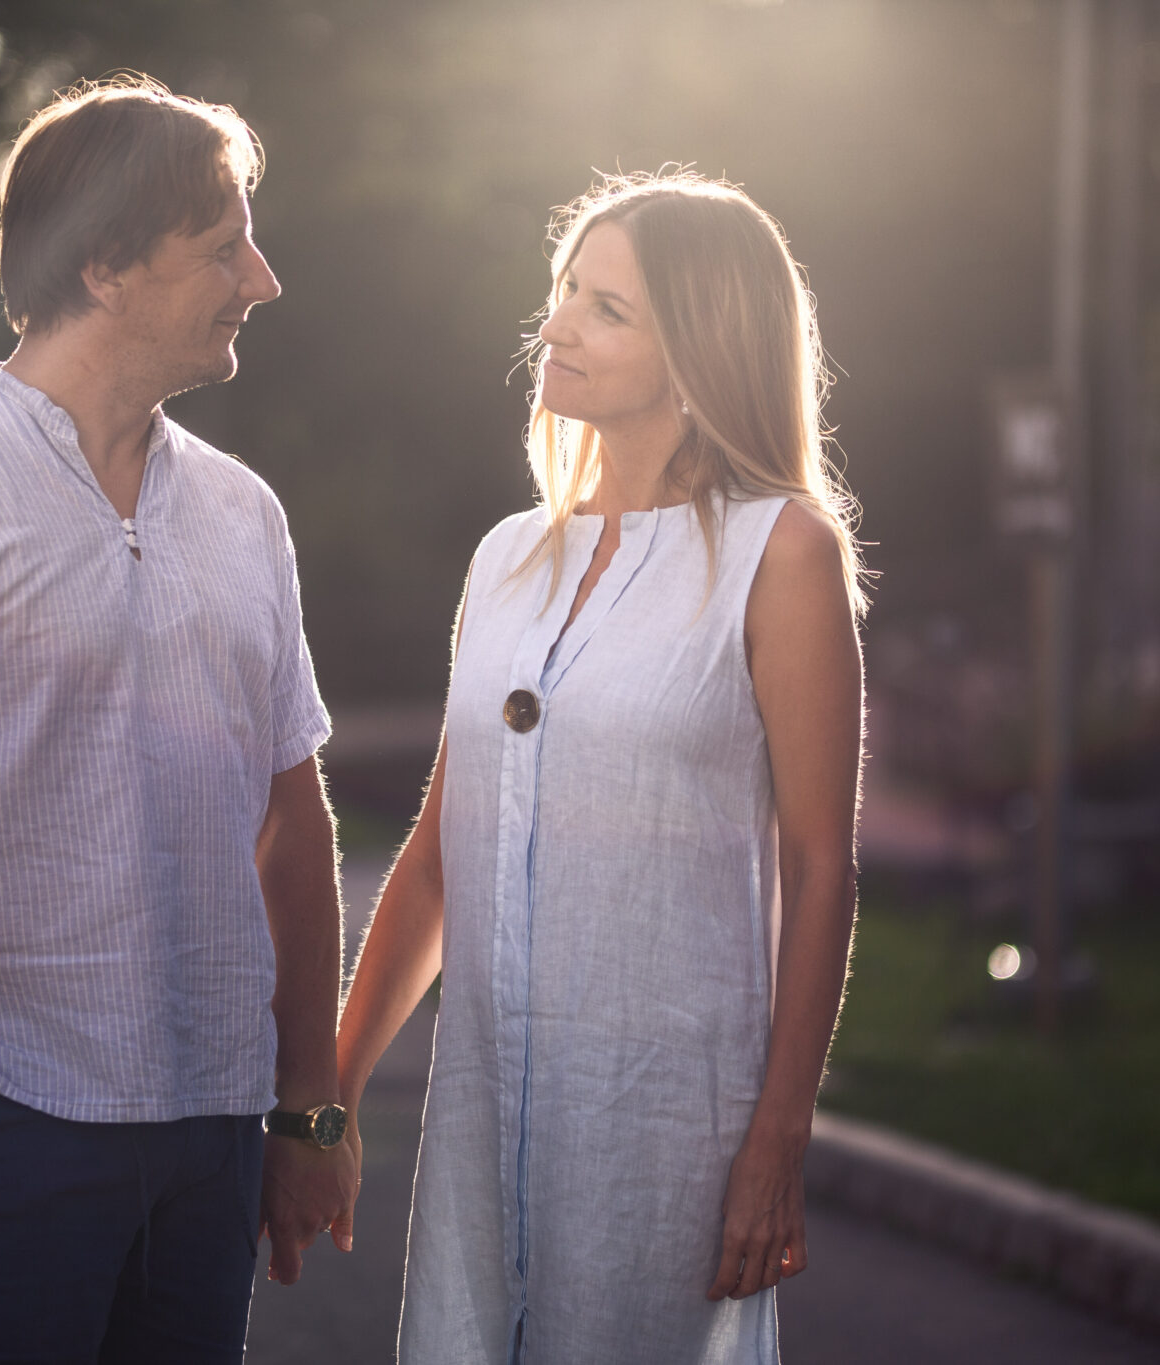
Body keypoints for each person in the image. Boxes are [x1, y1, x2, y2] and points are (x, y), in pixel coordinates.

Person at [0, 77, 355, 1364]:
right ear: (103, 266)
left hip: (212, 1138)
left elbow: (288, 819)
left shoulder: (245, 514)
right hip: (7, 1135)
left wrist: (306, 1105)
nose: (259, 279)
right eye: (220, 248)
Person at [335, 171, 868, 1364]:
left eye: (608, 308)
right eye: (566, 291)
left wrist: (775, 1144)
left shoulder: (778, 549)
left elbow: (817, 864)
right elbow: (438, 851)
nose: (558, 324)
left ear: (698, 352)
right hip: (481, 1123)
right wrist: (330, 1093)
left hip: (664, 1130)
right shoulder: (507, 555)